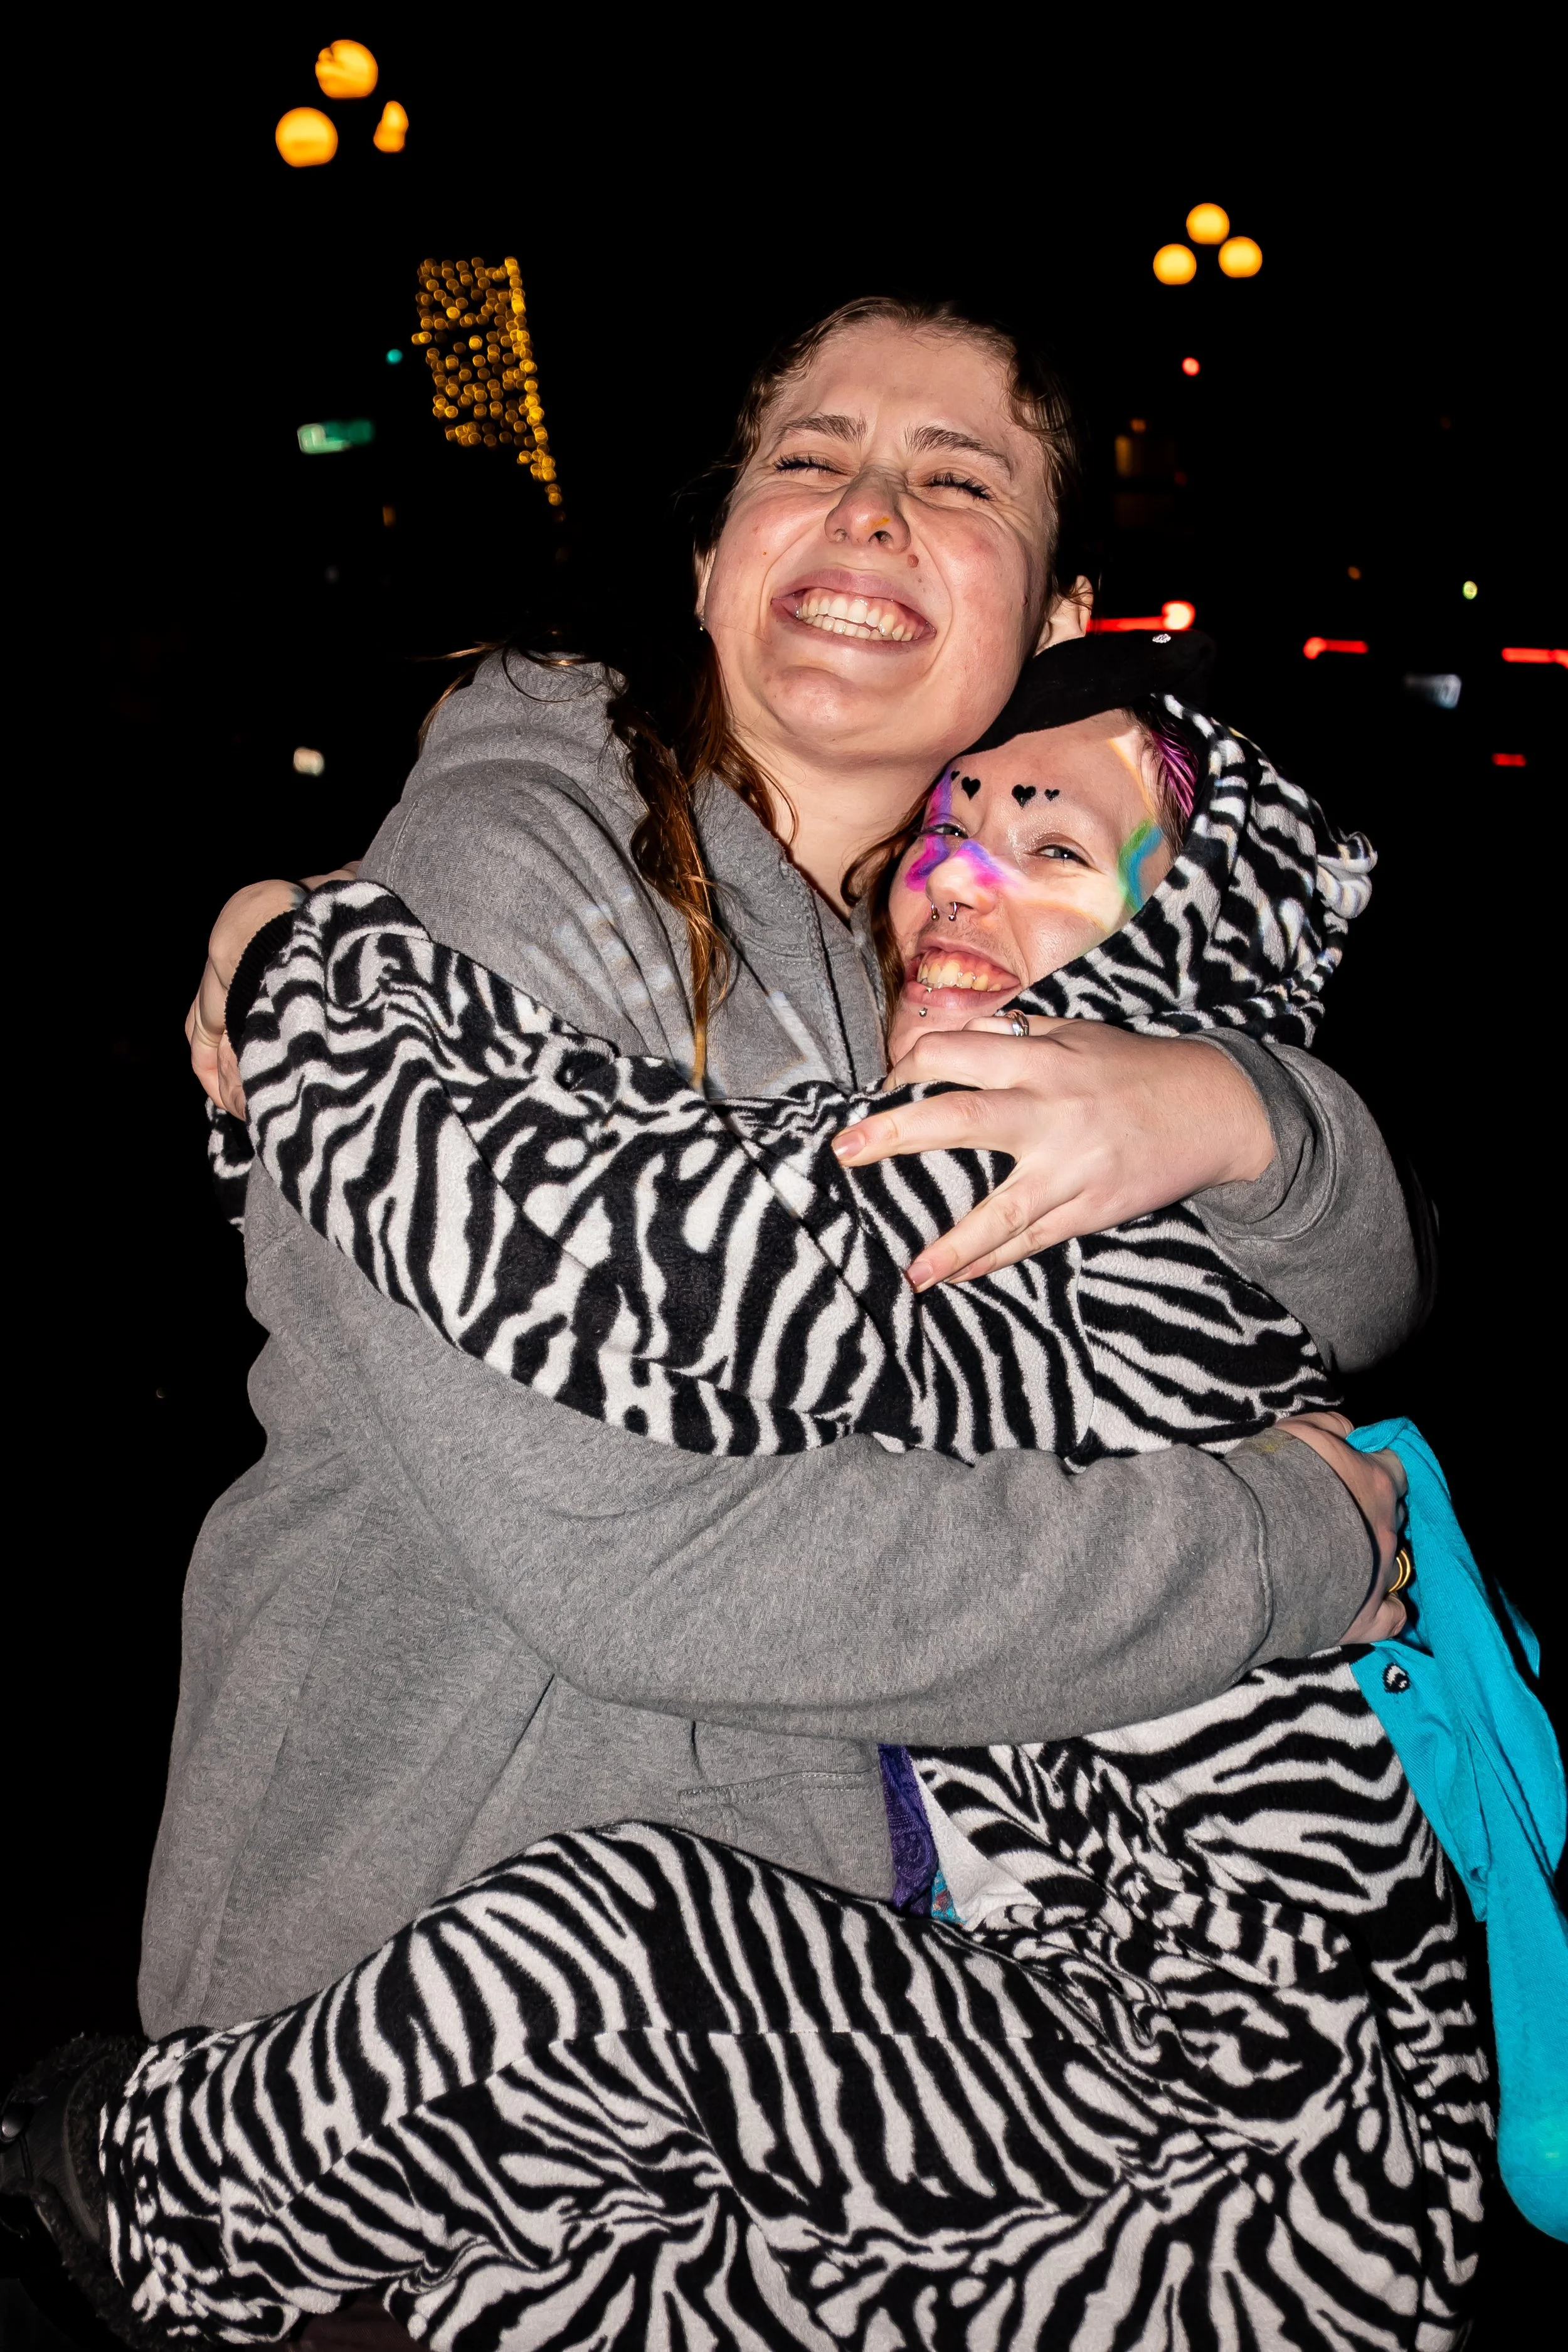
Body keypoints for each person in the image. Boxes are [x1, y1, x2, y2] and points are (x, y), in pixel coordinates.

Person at [5, 644, 1482, 2349]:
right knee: (563, 2262)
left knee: (611, 1973)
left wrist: (304, 976)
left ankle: (132, 2193)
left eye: (1053, 849)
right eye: (957, 827)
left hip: (1224, 2091)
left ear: (1188, 947)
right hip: (1146, 2091)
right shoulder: (1109, 1168)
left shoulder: (1013, 1180)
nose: (960, 873)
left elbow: (580, 1241)